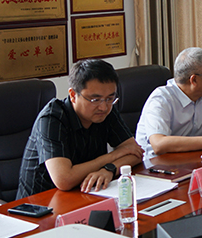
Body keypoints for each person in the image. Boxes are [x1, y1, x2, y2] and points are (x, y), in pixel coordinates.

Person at [17, 60, 144, 198]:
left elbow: (135, 153)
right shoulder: (52, 119)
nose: (103, 107)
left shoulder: (106, 110)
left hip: (86, 195)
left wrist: (109, 169)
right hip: (40, 203)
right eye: (95, 100)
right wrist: (113, 156)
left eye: (110, 98)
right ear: (73, 95)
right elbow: (64, 179)